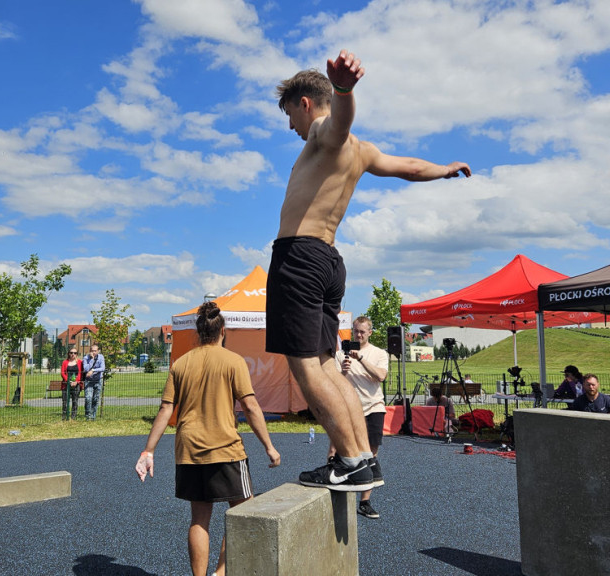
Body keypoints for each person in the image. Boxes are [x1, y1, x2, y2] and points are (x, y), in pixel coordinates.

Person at [267, 49, 471, 490]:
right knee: (326, 364)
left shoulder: (325, 132)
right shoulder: (364, 152)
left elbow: (339, 124)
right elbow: (410, 168)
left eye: (289, 115)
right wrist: (443, 170)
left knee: (305, 368)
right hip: (327, 262)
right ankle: (360, 458)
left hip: (299, 260)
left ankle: (354, 459)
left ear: (305, 104)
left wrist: (342, 89)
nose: (290, 127)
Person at [135, 301, 281, 576]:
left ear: (198, 331)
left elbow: (167, 409)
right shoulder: (233, 361)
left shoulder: (181, 364)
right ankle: (221, 572)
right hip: (225, 449)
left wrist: (148, 451)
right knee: (242, 513)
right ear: (223, 331)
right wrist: (269, 447)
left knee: (199, 518)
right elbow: (250, 407)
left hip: (188, 449)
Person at [331, 316, 389, 519]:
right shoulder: (340, 355)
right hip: (348, 407)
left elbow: (381, 376)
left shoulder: (379, 353)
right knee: (337, 447)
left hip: (373, 406)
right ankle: (333, 487)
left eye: (363, 332)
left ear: (370, 332)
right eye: (356, 331)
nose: (359, 335)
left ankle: (365, 501)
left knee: (371, 453)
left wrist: (361, 359)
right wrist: (344, 372)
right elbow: (333, 384)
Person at [82, 344, 106, 420]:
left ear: (98, 351)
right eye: (92, 351)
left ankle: (93, 416)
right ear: (90, 351)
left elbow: (102, 368)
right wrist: (92, 360)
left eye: (95, 351)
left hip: (98, 380)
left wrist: (93, 370)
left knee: (95, 399)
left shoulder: (101, 357)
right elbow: (86, 369)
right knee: (88, 398)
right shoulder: (86, 358)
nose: (94, 352)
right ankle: (88, 415)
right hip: (89, 381)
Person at [61, 349, 83, 421]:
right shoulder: (65, 362)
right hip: (66, 384)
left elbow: (80, 373)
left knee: (75, 401)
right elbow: (62, 373)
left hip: (76, 385)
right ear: (68, 354)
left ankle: (73, 416)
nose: (73, 354)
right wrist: (68, 381)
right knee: (65, 401)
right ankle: (64, 416)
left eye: (75, 353)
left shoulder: (80, 362)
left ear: (77, 354)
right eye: (71, 353)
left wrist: (76, 381)